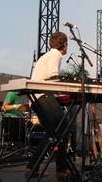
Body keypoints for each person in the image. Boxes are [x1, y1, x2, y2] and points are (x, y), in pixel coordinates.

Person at [24, 31, 71, 181]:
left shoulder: (46, 56)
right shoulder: (56, 54)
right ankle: (62, 170)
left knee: (51, 134)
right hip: (43, 96)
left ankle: (32, 167)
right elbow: (52, 76)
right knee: (63, 129)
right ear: (64, 44)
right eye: (67, 44)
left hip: (37, 98)